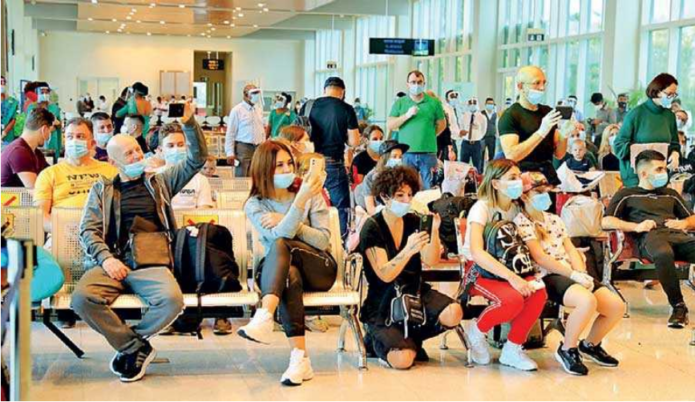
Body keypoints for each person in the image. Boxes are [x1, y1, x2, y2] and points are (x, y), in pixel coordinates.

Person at [71, 101, 204, 382]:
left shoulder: (160, 182)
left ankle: (132, 345)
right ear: (114, 162)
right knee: (82, 298)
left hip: (151, 261)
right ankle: (135, 348)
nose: (136, 156)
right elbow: (89, 230)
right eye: (128, 154)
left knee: (172, 300)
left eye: (137, 150)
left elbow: (197, 159)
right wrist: (107, 259)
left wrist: (190, 123)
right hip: (113, 262)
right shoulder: (102, 190)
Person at [239, 140, 335, 386]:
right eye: (279, 165)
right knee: (290, 274)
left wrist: (296, 207)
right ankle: (300, 359)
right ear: (264, 170)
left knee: (283, 243)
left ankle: (265, 313)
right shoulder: (255, 204)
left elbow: (322, 240)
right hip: (278, 272)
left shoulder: (309, 192)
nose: (286, 170)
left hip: (319, 267)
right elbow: (275, 236)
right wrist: (296, 211)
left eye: (289, 163)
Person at [514, 172, 625, 375]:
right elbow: (540, 258)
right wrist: (572, 275)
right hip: (547, 276)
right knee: (586, 302)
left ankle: (590, 345)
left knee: (616, 306)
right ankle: (567, 348)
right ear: (524, 195)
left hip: (570, 271)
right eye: (539, 192)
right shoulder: (521, 222)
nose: (545, 195)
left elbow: (570, 248)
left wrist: (581, 273)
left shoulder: (554, 219)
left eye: (547, 191)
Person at [359, 166, 463, 370]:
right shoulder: (372, 227)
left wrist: (434, 232)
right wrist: (408, 250)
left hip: (415, 291)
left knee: (454, 312)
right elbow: (385, 275)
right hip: (384, 299)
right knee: (403, 361)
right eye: (400, 195)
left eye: (409, 195)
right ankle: (380, 339)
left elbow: (431, 260)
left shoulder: (414, 221)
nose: (406, 200)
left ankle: (411, 339)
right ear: (385, 197)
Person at [462, 159, 548, 371]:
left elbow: (539, 231)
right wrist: (512, 278)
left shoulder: (517, 208)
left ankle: (513, 348)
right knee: (512, 300)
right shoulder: (481, 208)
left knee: (538, 293)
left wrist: (528, 198)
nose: (517, 182)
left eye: (519, 176)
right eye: (511, 178)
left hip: (512, 265)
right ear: (495, 183)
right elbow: (477, 252)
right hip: (480, 270)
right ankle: (476, 331)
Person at [602, 150, 694, 328]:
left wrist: (684, 223)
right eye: (659, 169)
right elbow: (606, 221)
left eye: (664, 169)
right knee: (663, 253)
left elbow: (692, 218)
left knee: (670, 250)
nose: (664, 173)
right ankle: (678, 306)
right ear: (643, 173)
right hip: (648, 238)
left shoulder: (670, 194)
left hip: (676, 236)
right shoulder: (627, 194)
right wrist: (636, 226)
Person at [34, 117, 119, 234]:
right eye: (70, 137)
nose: (74, 141)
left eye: (80, 137)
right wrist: (63, 230)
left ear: (92, 143)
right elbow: (40, 215)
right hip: (62, 235)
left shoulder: (110, 171)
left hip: (103, 235)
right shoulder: (49, 174)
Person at [300, 76, 360, 238]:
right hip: (333, 163)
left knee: (307, 202)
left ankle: (310, 238)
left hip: (308, 163)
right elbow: (354, 141)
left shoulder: (308, 106)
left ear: (325, 90)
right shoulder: (346, 109)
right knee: (340, 207)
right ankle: (339, 242)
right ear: (342, 92)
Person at [498, 66, 572, 185]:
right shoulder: (510, 116)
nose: (542, 88)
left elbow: (559, 154)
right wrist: (541, 132)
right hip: (523, 177)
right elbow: (511, 155)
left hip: (547, 176)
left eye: (544, 83)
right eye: (536, 83)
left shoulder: (547, 112)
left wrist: (564, 134)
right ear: (520, 86)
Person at [614, 73, 680, 187]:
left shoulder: (669, 116)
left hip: (660, 175)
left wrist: (675, 154)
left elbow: (674, 143)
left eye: (674, 95)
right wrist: (643, 149)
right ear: (657, 91)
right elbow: (619, 145)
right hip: (637, 178)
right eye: (669, 94)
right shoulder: (636, 114)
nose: (672, 98)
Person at [387, 71, 446, 189]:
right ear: (407, 84)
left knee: (430, 188)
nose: (416, 85)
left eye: (419, 82)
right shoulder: (400, 102)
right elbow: (391, 124)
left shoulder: (434, 103)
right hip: (407, 153)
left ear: (424, 83)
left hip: (428, 152)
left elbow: (442, 124)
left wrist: (429, 134)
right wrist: (406, 116)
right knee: (407, 187)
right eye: (413, 82)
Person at [0, 107, 53, 188]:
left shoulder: (36, 154)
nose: (49, 135)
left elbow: (52, 174)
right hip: (14, 197)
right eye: (50, 131)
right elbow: (36, 190)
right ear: (44, 129)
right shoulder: (18, 152)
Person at [354, 141, 409, 216]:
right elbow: (371, 210)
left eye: (400, 157)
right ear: (385, 158)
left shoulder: (403, 176)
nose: (398, 160)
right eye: (394, 156)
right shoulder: (370, 178)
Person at [225, 84, 265, 177]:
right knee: (242, 175)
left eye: (257, 93)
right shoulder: (237, 110)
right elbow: (230, 133)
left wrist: (264, 145)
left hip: (258, 147)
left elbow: (261, 129)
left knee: (257, 174)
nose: (256, 96)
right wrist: (229, 152)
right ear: (245, 95)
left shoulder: (258, 110)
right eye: (254, 93)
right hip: (244, 147)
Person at [26, 84, 63, 157]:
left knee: (52, 160)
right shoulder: (31, 107)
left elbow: (59, 126)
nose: (45, 95)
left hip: (52, 141)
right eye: (42, 92)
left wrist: (57, 124)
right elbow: (28, 126)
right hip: (36, 140)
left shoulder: (55, 108)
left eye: (47, 92)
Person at [458, 97, 488, 173]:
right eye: (470, 103)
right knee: (463, 166)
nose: (472, 105)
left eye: (474, 103)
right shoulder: (463, 116)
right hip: (465, 144)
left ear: (477, 104)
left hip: (477, 144)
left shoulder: (482, 117)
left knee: (477, 166)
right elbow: (461, 129)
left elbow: (483, 131)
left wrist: (476, 137)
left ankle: (477, 179)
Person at [440, 90, 461, 162]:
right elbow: (446, 127)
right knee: (448, 163)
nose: (454, 99)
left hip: (453, 139)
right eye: (452, 97)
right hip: (448, 141)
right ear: (447, 99)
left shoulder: (453, 109)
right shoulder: (445, 109)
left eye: (455, 97)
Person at [1, 76, 19, 145]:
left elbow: (13, 120)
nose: (2, 84)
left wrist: (3, 134)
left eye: (4, 82)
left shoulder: (13, 102)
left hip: (8, 138)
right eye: (0, 82)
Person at [482, 97, 498, 163]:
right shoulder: (481, 114)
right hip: (483, 137)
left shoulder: (495, 114)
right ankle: (480, 168)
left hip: (492, 137)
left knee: (492, 154)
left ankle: (490, 167)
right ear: (485, 104)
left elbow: (496, 125)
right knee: (481, 154)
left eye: (492, 104)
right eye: (488, 103)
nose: (490, 105)